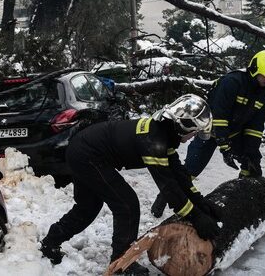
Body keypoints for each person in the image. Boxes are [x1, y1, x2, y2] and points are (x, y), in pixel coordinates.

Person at [40, 94, 222, 274]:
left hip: (82, 150)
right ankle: (121, 262)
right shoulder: (154, 141)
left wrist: (200, 202)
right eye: (194, 132)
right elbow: (168, 187)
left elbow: (179, 175)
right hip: (87, 155)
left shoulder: (163, 133)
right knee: (127, 204)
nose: (193, 137)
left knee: (87, 207)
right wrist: (195, 216)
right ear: (183, 126)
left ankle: (50, 243)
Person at [151, 50, 265, 218]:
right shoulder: (232, 82)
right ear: (255, 70)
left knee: (252, 165)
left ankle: (244, 198)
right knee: (191, 169)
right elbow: (219, 116)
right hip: (210, 130)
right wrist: (225, 148)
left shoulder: (263, 93)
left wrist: (252, 151)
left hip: (235, 132)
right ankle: (164, 197)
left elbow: (255, 127)